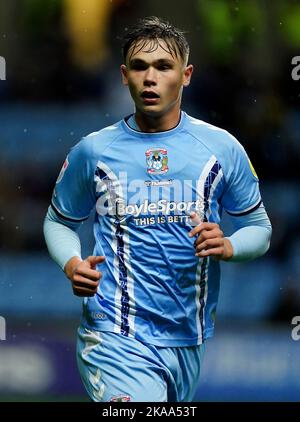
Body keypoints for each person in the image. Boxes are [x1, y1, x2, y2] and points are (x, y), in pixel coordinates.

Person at [44, 16, 272, 402]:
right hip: (113, 332)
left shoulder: (221, 148)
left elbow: (259, 228)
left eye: (164, 66)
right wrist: (72, 262)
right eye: (139, 66)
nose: (150, 77)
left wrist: (229, 245)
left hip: (186, 336)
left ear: (186, 75)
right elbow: (58, 221)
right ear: (124, 75)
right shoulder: (93, 151)